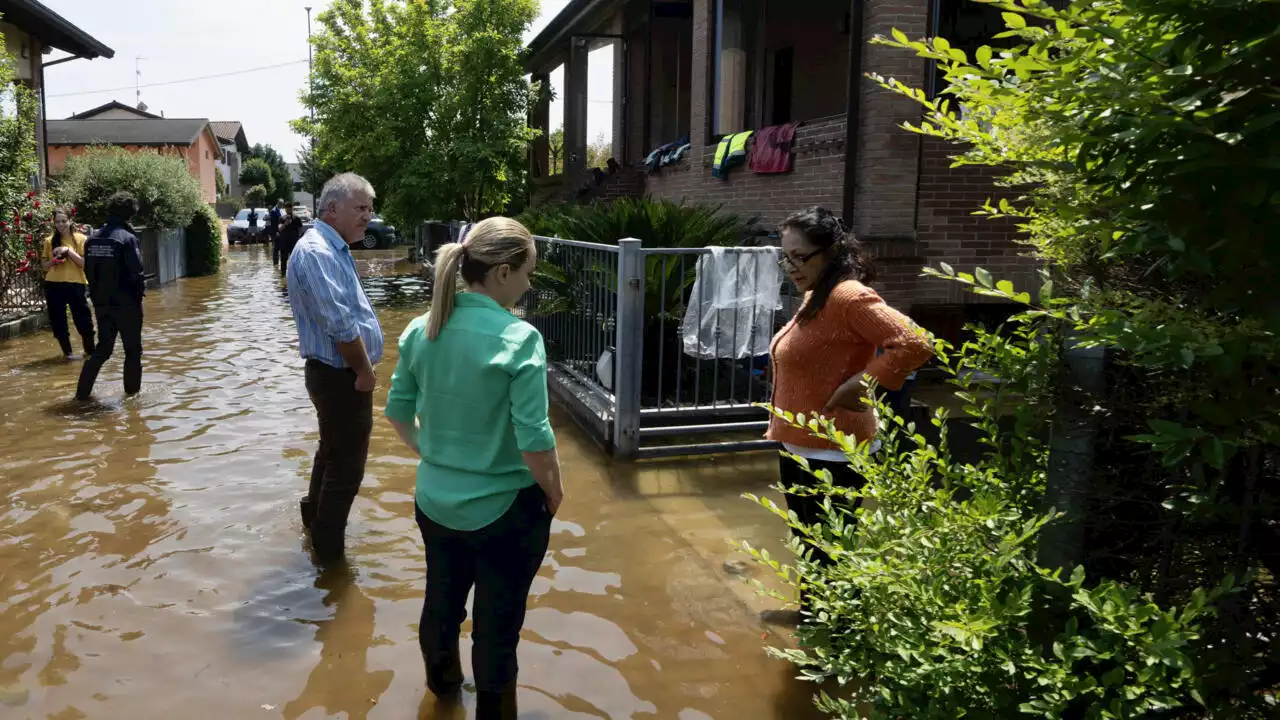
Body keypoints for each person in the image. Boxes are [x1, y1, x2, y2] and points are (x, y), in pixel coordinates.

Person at [385, 217, 562, 720]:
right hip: (506, 509)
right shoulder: (520, 337)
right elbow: (534, 439)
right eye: (528, 272)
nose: (530, 283)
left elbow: (398, 413)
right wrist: (554, 490)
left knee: (441, 604)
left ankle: (441, 696)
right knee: (497, 627)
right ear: (503, 272)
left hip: (434, 501)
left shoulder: (424, 327)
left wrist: (439, 457)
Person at [766, 206, 932, 618]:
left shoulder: (847, 296)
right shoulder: (816, 297)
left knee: (832, 549)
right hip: (801, 442)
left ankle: (840, 635)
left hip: (834, 448)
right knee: (808, 540)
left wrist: (864, 383)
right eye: (785, 257)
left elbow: (913, 342)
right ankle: (813, 616)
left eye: (800, 256)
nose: (792, 267)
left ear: (832, 251)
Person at [286, 173, 384, 560]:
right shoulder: (318, 253)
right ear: (332, 209)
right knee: (347, 470)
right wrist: (364, 370)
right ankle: (328, 557)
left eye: (370, 209)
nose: (367, 217)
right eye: (360, 208)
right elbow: (341, 324)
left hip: (338, 373)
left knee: (331, 453)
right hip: (341, 375)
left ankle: (314, 526)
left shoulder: (332, 247)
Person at [75, 192, 147, 401]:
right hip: (127, 306)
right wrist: (137, 299)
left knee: (102, 350)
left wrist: (98, 297)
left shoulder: (93, 239)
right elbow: (137, 273)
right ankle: (132, 400)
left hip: (102, 304)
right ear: (130, 214)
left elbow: (88, 271)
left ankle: (81, 395)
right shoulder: (127, 238)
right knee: (132, 351)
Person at [41, 207, 95, 360]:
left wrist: (69, 251)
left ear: (70, 221)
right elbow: (44, 266)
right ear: (54, 223)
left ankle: (90, 353)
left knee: (84, 321)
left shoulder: (81, 239)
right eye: (57, 222)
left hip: (76, 284)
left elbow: (85, 264)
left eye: (64, 221)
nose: (61, 224)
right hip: (53, 285)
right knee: (58, 323)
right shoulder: (49, 241)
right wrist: (53, 261)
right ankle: (68, 356)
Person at [278, 204, 304, 277]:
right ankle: (283, 276)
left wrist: (299, 238)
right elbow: (279, 229)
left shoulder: (297, 218)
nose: (289, 210)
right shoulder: (282, 218)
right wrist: (285, 224)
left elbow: (301, 229)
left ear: (292, 209)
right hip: (284, 242)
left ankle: (295, 276)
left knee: (295, 260)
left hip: (294, 243)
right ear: (285, 209)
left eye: (290, 208)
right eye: (287, 208)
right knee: (283, 260)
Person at [268, 200, 284, 266]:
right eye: (281, 204)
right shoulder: (274, 211)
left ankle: (277, 263)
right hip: (276, 232)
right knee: (276, 248)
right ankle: (275, 263)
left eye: (282, 204)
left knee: (278, 247)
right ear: (278, 203)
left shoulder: (278, 210)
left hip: (279, 231)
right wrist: (277, 231)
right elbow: (275, 222)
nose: (282, 205)